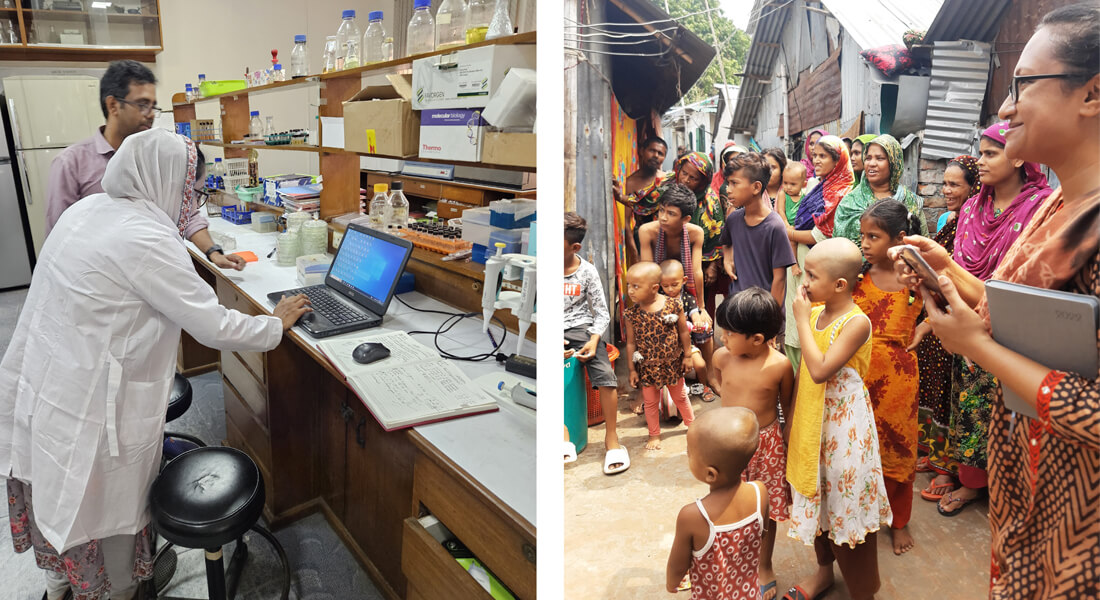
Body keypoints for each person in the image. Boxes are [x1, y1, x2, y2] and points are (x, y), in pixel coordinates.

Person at [0, 129, 312, 600]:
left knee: (56, 492)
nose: (193, 203)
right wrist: (274, 325)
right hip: (90, 411)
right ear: (170, 183)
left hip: (46, 386)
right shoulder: (145, 236)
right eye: (194, 191)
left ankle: (60, 581)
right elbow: (212, 326)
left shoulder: (88, 210)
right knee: (97, 512)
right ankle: (113, 590)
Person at [891, 6, 1098, 596]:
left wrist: (974, 346)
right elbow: (1028, 312)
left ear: (1093, 93)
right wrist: (950, 271)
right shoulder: (1060, 206)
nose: (1005, 109)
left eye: (1022, 86)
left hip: (1079, 527)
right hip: (1029, 498)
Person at [928, 120, 1051, 517]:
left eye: (990, 153)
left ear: (1018, 157)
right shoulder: (972, 207)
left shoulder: (1041, 207)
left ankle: (1007, 484)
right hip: (966, 321)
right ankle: (971, 482)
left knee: (1007, 409)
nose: (980, 162)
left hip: (1014, 330)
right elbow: (959, 267)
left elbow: (1027, 277)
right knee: (968, 405)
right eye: (979, 153)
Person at [45, 60, 245, 272]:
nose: (150, 113)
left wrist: (213, 252)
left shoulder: (157, 158)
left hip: (153, 270)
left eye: (153, 106)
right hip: (103, 280)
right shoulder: (71, 163)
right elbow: (60, 239)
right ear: (113, 105)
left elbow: (187, 212)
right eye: (142, 104)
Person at [784, 238, 891, 600]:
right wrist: (791, 421)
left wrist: (799, 320)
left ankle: (864, 590)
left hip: (844, 429)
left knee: (845, 504)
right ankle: (824, 571)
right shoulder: (816, 313)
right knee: (817, 497)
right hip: (813, 423)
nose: (803, 281)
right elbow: (802, 376)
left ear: (840, 285)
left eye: (811, 275)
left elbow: (820, 370)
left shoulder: (855, 322)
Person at [852, 199, 926, 556]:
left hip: (899, 379)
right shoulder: (856, 274)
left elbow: (947, 305)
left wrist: (924, 328)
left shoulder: (914, 277)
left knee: (898, 446)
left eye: (873, 236)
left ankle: (899, 521)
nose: (864, 242)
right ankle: (864, 510)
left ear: (898, 238)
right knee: (862, 445)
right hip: (858, 373)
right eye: (862, 235)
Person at [711, 289, 794, 600]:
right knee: (725, 504)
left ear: (758, 339)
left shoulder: (780, 366)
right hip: (727, 445)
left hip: (766, 445)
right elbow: (716, 377)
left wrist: (787, 442)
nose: (723, 338)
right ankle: (729, 560)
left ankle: (763, 565)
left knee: (766, 510)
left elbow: (788, 406)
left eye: (730, 333)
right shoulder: (723, 357)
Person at [913, 155, 980, 501]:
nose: (946, 190)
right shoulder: (951, 220)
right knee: (934, 386)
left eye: (955, 184)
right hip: (940, 309)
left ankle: (950, 470)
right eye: (945, 183)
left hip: (968, 315)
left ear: (974, 187)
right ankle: (935, 454)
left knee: (955, 396)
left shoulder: (976, 224)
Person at [666, 407, 768, 599]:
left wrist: (671, 583)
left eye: (689, 452)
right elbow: (762, 534)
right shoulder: (760, 492)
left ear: (710, 474)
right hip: (751, 594)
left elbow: (678, 567)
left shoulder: (692, 516)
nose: (686, 454)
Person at [563, 212, 628, 475]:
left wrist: (592, 340)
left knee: (604, 372)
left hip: (581, 328)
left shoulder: (587, 272)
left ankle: (611, 437)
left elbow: (601, 312)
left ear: (574, 247)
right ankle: (564, 433)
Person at [624, 262, 695, 451]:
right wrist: (632, 369)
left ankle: (692, 425)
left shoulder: (673, 305)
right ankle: (654, 434)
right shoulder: (632, 314)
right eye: (628, 285)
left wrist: (688, 356)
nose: (630, 291)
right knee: (650, 402)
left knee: (680, 396)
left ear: (655, 288)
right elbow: (631, 343)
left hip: (672, 363)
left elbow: (683, 333)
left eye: (635, 286)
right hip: (647, 367)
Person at [719, 153, 795, 308]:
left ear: (756, 187)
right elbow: (726, 242)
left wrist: (771, 322)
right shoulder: (733, 219)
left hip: (763, 311)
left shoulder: (775, 226)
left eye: (734, 183)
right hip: (737, 308)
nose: (728, 190)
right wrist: (727, 259)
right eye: (728, 183)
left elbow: (779, 280)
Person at [832, 134, 928, 249]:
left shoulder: (911, 202)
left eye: (880, 158)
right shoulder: (849, 203)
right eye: (868, 158)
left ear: (894, 163)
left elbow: (924, 244)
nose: (871, 163)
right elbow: (837, 248)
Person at [659, 259, 716, 403]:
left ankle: (703, 386)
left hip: (686, 345)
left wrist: (697, 321)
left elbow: (694, 314)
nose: (670, 289)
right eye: (665, 286)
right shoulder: (659, 301)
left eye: (674, 284)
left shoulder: (687, 299)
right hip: (665, 346)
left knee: (701, 364)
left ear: (684, 280)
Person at [788, 135, 855, 251]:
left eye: (822, 156)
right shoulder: (814, 184)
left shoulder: (841, 193)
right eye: (815, 155)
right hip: (799, 250)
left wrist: (789, 233)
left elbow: (819, 236)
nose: (816, 161)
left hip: (820, 256)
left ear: (837, 161)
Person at [612, 136, 671, 261]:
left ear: (664, 158)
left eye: (660, 153)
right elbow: (627, 223)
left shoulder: (667, 180)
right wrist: (634, 252)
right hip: (644, 241)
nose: (655, 155)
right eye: (652, 150)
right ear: (642, 151)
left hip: (668, 239)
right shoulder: (631, 182)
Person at [777, 162, 809, 371]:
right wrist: (787, 227)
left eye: (792, 184)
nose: (788, 187)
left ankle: (796, 265)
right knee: (792, 242)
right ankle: (795, 265)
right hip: (788, 229)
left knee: (795, 240)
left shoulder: (806, 195)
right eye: (785, 183)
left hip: (799, 228)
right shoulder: (783, 195)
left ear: (803, 183)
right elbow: (779, 212)